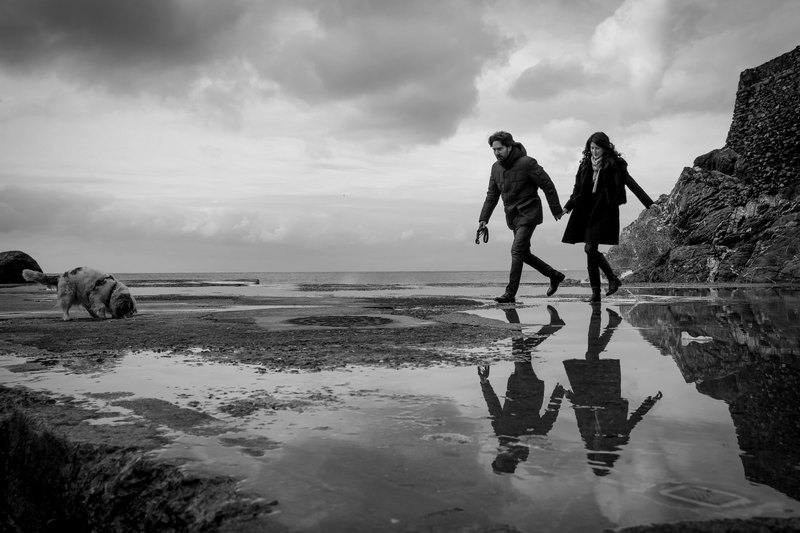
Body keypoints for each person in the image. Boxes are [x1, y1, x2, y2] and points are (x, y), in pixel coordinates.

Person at [561, 132, 653, 303]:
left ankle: (612, 278)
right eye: (592, 148)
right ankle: (596, 293)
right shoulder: (584, 165)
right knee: (590, 251)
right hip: (587, 210)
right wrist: (567, 207)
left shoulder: (615, 165)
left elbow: (632, 183)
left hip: (604, 210)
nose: (594, 152)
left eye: (597, 148)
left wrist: (649, 203)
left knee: (589, 248)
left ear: (605, 148)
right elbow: (577, 190)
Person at [478, 131, 565, 304]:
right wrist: (483, 219)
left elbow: (547, 185)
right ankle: (555, 275)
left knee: (516, 250)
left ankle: (510, 293)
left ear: (509, 147)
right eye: (493, 150)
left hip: (529, 213)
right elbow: (492, 195)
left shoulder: (527, 163)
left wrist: (556, 209)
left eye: (500, 149)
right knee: (524, 254)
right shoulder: (495, 168)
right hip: (512, 216)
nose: (496, 152)